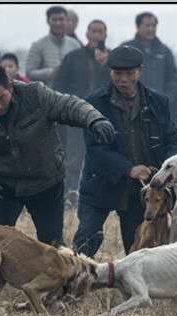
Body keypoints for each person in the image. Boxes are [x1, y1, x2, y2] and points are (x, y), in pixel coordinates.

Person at [0, 65, 115, 246]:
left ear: (10, 86)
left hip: (46, 182)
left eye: (1, 97)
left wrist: (94, 119)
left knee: (53, 245)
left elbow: (69, 105)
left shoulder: (35, 94)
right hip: (4, 187)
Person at [73, 46, 177, 257]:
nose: (123, 79)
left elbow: (173, 141)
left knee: (138, 249)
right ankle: (69, 286)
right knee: (86, 241)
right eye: (117, 73)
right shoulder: (94, 103)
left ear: (139, 72)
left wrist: (165, 170)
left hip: (141, 190)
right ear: (110, 72)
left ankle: (134, 290)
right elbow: (95, 150)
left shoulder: (158, 102)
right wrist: (129, 169)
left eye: (129, 74)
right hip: (100, 183)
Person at [53, 19, 111, 205]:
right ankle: (71, 192)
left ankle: (98, 193)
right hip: (76, 113)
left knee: (102, 153)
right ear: (86, 34)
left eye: (100, 31)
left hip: (104, 114)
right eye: (93, 31)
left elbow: (117, 86)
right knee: (74, 155)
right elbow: (60, 84)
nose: (96, 34)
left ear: (105, 35)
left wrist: (105, 66)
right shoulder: (74, 56)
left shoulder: (113, 59)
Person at [120, 12, 177, 95]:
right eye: (147, 26)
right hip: (130, 102)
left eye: (153, 26)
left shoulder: (165, 51)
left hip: (157, 103)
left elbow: (172, 79)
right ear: (138, 27)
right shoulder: (126, 49)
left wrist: (166, 99)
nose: (151, 29)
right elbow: (116, 75)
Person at [25, 5, 81, 84]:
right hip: (45, 94)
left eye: (61, 19)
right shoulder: (38, 45)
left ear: (66, 21)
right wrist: (51, 72)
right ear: (48, 21)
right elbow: (29, 73)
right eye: (54, 20)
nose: (58, 23)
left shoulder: (75, 45)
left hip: (71, 94)